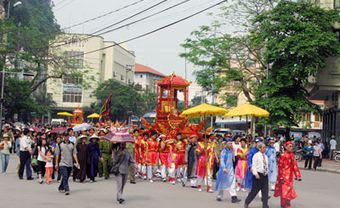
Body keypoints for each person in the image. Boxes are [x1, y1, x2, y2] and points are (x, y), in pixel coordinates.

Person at [274, 141, 302, 208]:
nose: (291, 148)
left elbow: (295, 166)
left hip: (290, 176)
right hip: (283, 176)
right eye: (290, 146)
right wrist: (281, 177)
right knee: (284, 190)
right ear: (286, 147)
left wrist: (298, 175)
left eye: (292, 146)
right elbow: (280, 167)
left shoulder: (292, 155)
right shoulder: (283, 155)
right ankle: (283, 204)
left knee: (289, 189)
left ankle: (287, 204)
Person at [215, 138, 241, 203]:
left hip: (231, 169)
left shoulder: (231, 151)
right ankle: (219, 196)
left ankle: (234, 197)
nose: (230, 144)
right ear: (226, 144)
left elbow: (233, 159)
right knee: (222, 183)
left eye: (231, 143)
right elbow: (222, 161)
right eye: (229, 143)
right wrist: (224, 168)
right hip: (224, 170)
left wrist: (234, 157)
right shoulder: (223, 151)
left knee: (232, 183)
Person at [244, 143, 269, 208]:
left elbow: (266, 165)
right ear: (260, 148)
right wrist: (255, 174)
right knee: (254, 191)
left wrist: (267, 172)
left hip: (265, 175)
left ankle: (265, 205)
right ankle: (247, 202)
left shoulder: (265, 156)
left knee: (265, 191)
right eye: (263, 147)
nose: (264, 149)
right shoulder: (256, 155)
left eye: (265, 147)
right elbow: (253, 166)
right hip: (258, 175)